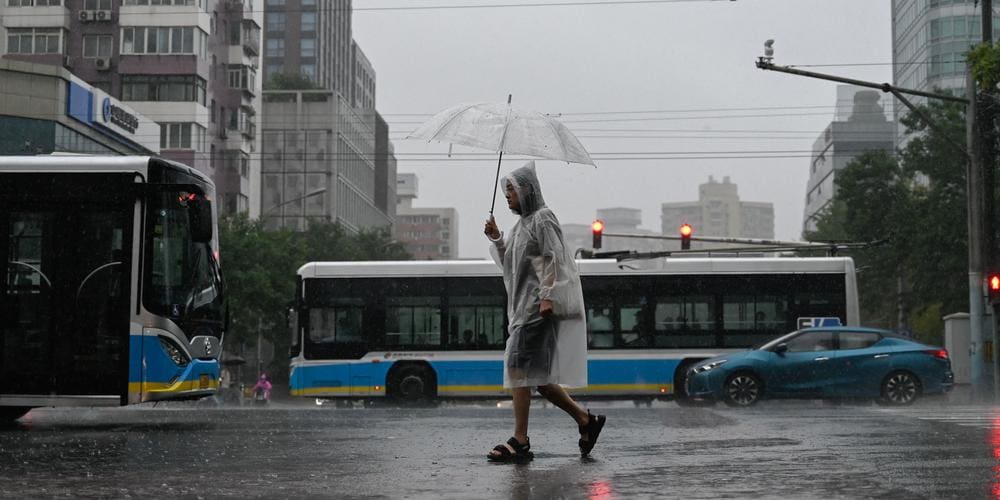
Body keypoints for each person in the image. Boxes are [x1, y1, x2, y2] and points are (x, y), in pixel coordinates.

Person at [483, 161, 606, 463]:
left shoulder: (543, 218)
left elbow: (553, 258)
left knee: (517, 368)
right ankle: (585, 420)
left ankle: (520, 439)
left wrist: (548, 296)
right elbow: (510, 267)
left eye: (511, 189)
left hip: (536, 309)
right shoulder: (520, 225)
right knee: (535, 377)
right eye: (505, 190)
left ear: (527, 189)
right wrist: (498, 239)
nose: (507, 195)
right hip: (522, 309)